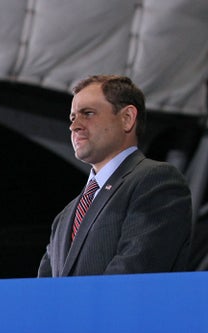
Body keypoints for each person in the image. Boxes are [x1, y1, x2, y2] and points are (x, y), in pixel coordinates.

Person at [38, 74, 192, 277]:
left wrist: (76, 308)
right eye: (73, 117)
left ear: (127, 118)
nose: (74, 126)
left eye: (88, 113)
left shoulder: (156, 181)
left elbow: (132, 273)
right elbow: (45, 291)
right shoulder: (65, 217)